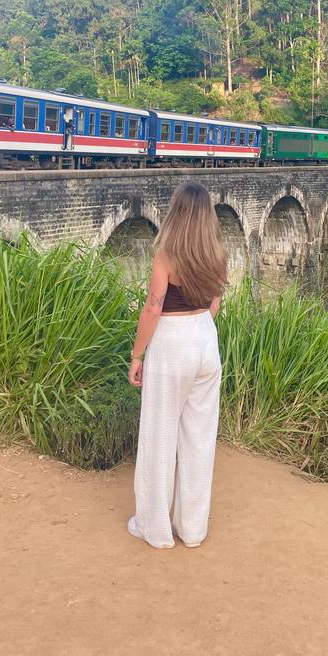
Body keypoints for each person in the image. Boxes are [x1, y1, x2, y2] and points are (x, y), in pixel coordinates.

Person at [127, 183, 227, 549]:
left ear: (176, 212)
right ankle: (192, 528)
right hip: (205, 339)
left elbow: (154, 307)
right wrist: (199, 326)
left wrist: (137, 355)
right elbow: (215, 304)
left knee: (159, 435)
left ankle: (153, 527)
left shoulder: (166, 255)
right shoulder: (217, 253)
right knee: (199, 438)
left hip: (172, 344)